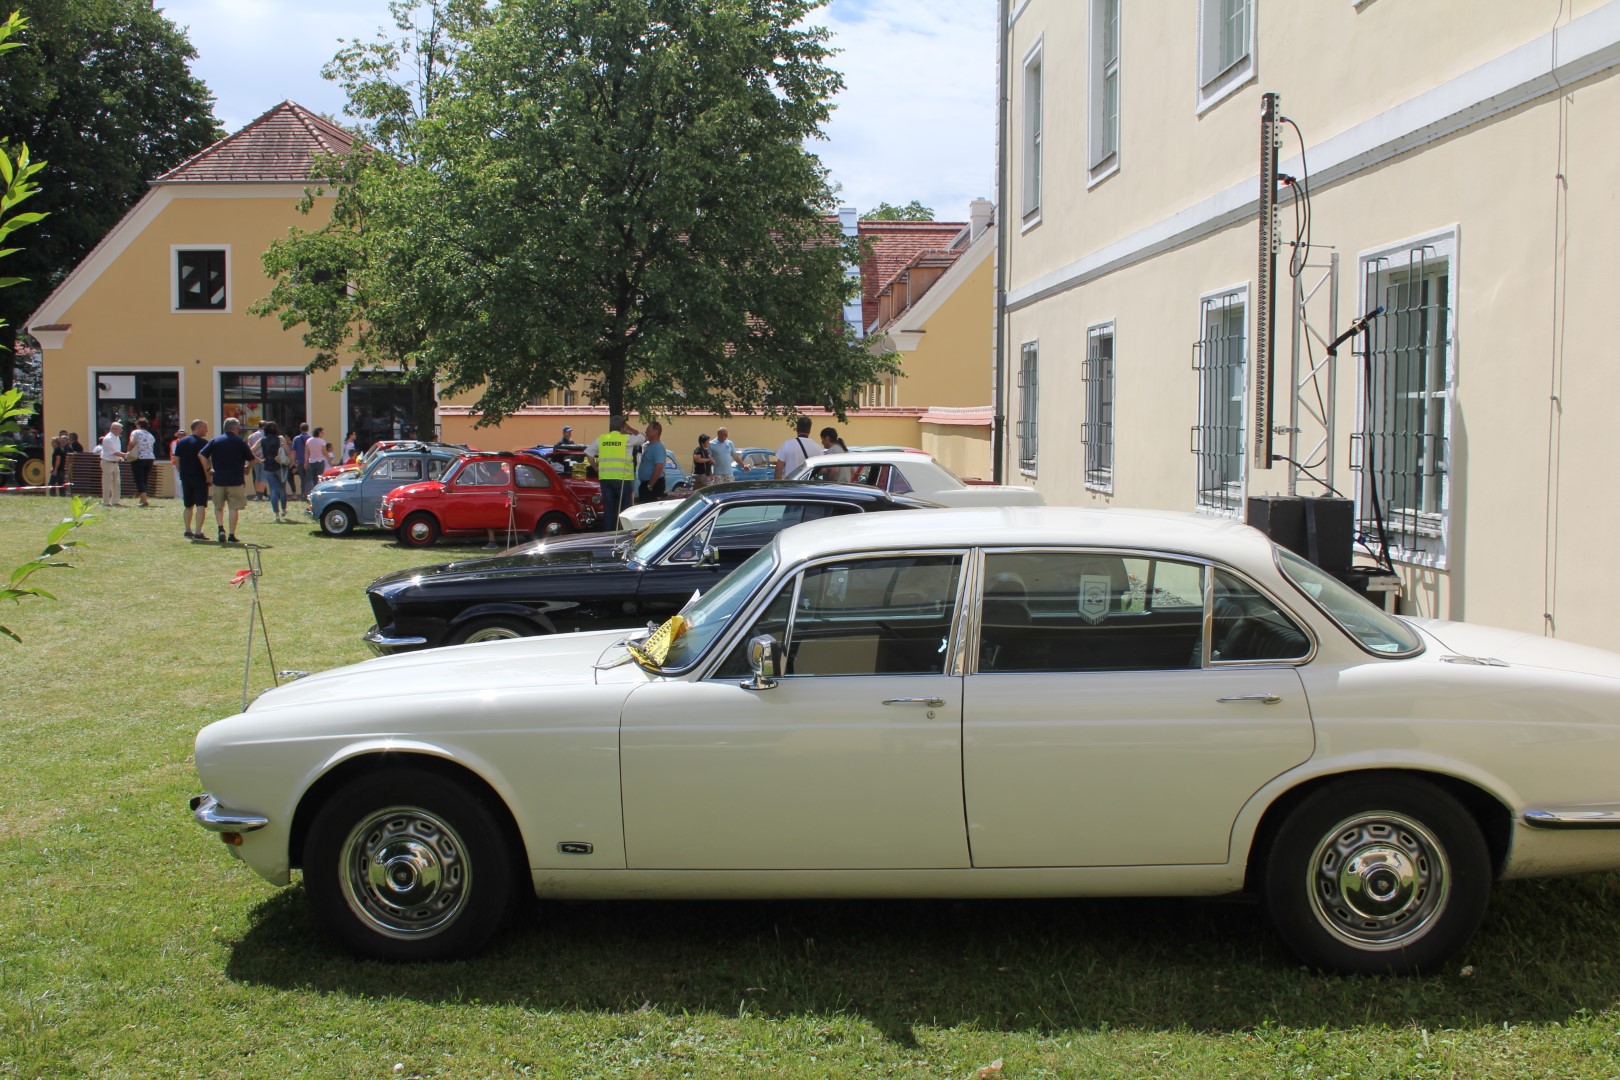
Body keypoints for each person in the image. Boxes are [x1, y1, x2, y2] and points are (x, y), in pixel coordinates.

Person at [199, 417, 252, 543]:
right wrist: (248, 468)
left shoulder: (216, 440)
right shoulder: (240, 442)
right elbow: (251, 458)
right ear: (234, 428)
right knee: (233, 507)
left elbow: (202, 454)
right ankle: (232, 535)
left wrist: (208, 469)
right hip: (236, 480)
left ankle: (220, 528)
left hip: (219, 479)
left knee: (218, 506)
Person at [585, 415, 642, 531]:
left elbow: (589, 454)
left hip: (605, 479)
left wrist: (596, 468)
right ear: (622, 427)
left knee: (609, 510)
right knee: (625, 510)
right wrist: (630, 429)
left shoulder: (601, 439)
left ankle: (609, 536)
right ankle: (625, 534)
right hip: (623, 479)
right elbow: (642, 437)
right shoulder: (626, 439)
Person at [174, 420, 210, 539]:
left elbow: (177, 460)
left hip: (186, 477)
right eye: (205, 428)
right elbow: (205, 461)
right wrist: (208, 476)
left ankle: (187, 530)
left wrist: (181, 473)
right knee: (200, 504)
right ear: (198, 428)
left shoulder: (181, 442)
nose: (207, 430)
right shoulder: (204, 443)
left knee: (188, 505)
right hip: (199, 477)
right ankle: (198, 531)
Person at [256, 420, 294, 522]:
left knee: (273, 490)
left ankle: (276, 515)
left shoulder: (262, 440)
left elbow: (251, 450)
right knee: (282, 489)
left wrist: (259, 460)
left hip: (268, 467)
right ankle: (283, 509)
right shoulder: (280, 438)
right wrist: (291, 461)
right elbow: (288, 451)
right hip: (280, 467)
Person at [127, 417, 157, 507]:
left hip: (139, 457)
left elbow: (132, 442)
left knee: (138, 479)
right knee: (144, 479)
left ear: (138, 425)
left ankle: (144, 501)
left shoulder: (135, 432)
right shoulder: (150, 435)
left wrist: (128, 451)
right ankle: (142, 498)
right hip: (150, 458)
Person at [636, 421, 666, 504]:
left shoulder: (658, 447)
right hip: (645, 484)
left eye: (648, 430)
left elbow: (659, 467)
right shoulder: (648, 446)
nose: (646, 432)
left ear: (656, 431)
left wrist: (650, 485)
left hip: (654, 485)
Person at [97, 420, 126, 506]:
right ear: (114, 429)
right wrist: (127, 455)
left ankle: (115, 501)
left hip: (115, 463)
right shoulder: (108, 438)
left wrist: (120, 458)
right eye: (119, 429)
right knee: (107, 483)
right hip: (107, 462)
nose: (121, 431)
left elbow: (117, 451)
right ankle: (106, 502)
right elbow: (114, 452)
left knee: (117, 482)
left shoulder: (117, 438)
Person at [304, 426, 330, 495]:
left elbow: (307, 453)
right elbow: (325, 452)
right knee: (320, 477)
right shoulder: (321, 441)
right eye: (322, 433)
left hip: (311, 461)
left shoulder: (308, 440)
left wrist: (305, 462)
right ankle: (320, 492)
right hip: (320, 461)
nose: (323, 434)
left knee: (313, 478)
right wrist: (329, 460)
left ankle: (314, 492)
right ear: (319, 433)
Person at [291, 422, 311, 499]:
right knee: (308, 479)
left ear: (300, 429)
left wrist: (293, 462)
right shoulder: (310, 439)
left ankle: (303, 494)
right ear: (308, 429)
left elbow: (293, 452)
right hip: (309, 462)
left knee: (302, 479)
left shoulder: (296, 439)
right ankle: (308, 495)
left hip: (300, 462)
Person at [49, 431, 69, 497]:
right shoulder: (60, 449)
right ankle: (62, 495)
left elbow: (58, 460)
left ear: (56, 443)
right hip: (60, 469)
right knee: (60, 483)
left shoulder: (57, 450)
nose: (51, 443)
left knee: (52, 483)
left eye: (52, 442)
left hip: (59, 470)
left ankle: (54, 495)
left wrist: (55, 469)